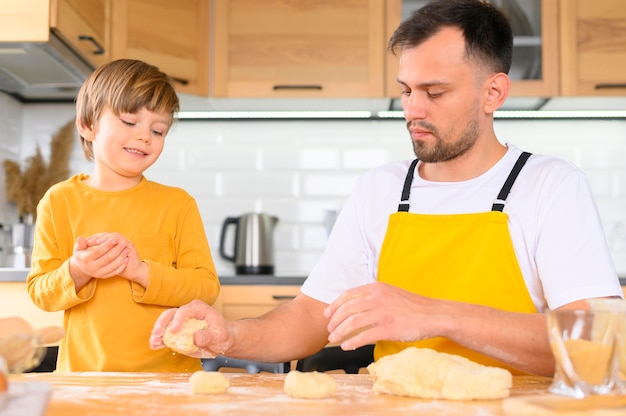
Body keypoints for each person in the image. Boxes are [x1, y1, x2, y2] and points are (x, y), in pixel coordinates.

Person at [150, 0, 623, 377]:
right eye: (406, 90)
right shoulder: (381, 190)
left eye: (434, 92)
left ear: (493, 93)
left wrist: (434, 315)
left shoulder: (549, 186)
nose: (413, 110)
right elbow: (311, 318)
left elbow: (597, 344)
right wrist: (232, 336)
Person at [27, 59, 220, 372]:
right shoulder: (59, 201)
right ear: (88, 125)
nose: (145, 136)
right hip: (86, 380)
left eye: (158, 130)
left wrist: (141, 271)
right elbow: (41, 293)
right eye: (130, 122)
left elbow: (205, 288)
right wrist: (77, 270)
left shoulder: (177, 204)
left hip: (171, 380)